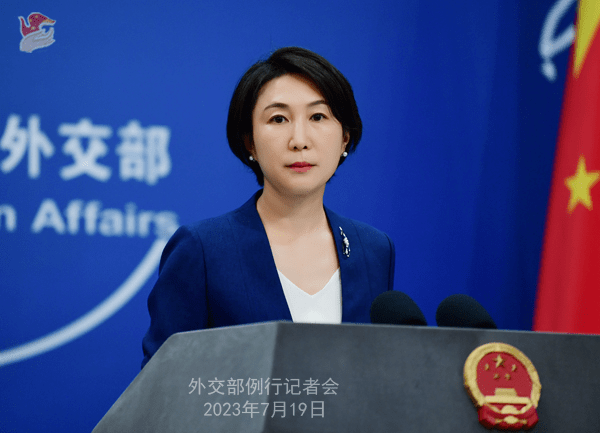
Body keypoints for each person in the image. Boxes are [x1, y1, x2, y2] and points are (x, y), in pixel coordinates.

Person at [141, 47, 395, 369]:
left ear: (345, 137)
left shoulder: (372, 249)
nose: (299, 140)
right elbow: (163, 383)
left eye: (318, 117)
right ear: (250, 142)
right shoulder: (203, 249)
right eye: (278, 119)